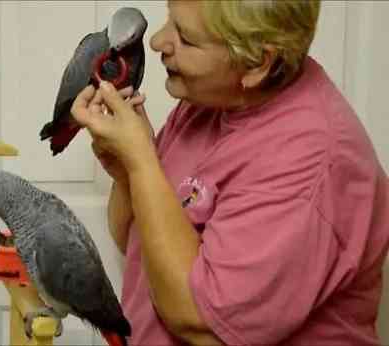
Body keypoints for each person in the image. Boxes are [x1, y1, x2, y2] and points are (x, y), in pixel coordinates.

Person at [72, 1, 389, 345]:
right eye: (169, 20)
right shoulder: (208, 100)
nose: (157, 41)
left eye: (186, 39)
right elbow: (135, 242)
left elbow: (197, 321)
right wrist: (128, 172)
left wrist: (141, 162)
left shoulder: (311, 159)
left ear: (258, 63)